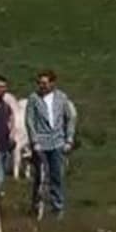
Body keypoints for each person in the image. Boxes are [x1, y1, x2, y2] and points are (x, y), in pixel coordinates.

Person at [24, 70, 77, 218]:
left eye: (45, 83)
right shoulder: (33, 99)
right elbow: (30, 121)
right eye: (40, 83)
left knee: (56, 176)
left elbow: (70, 117)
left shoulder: (61, 97)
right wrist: (34, 141)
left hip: (57, 142)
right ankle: (36, 206)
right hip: (41, 142)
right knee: (40, 177)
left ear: (52, 83)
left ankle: (57, 206)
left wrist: (69, 139)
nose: (42, 86)